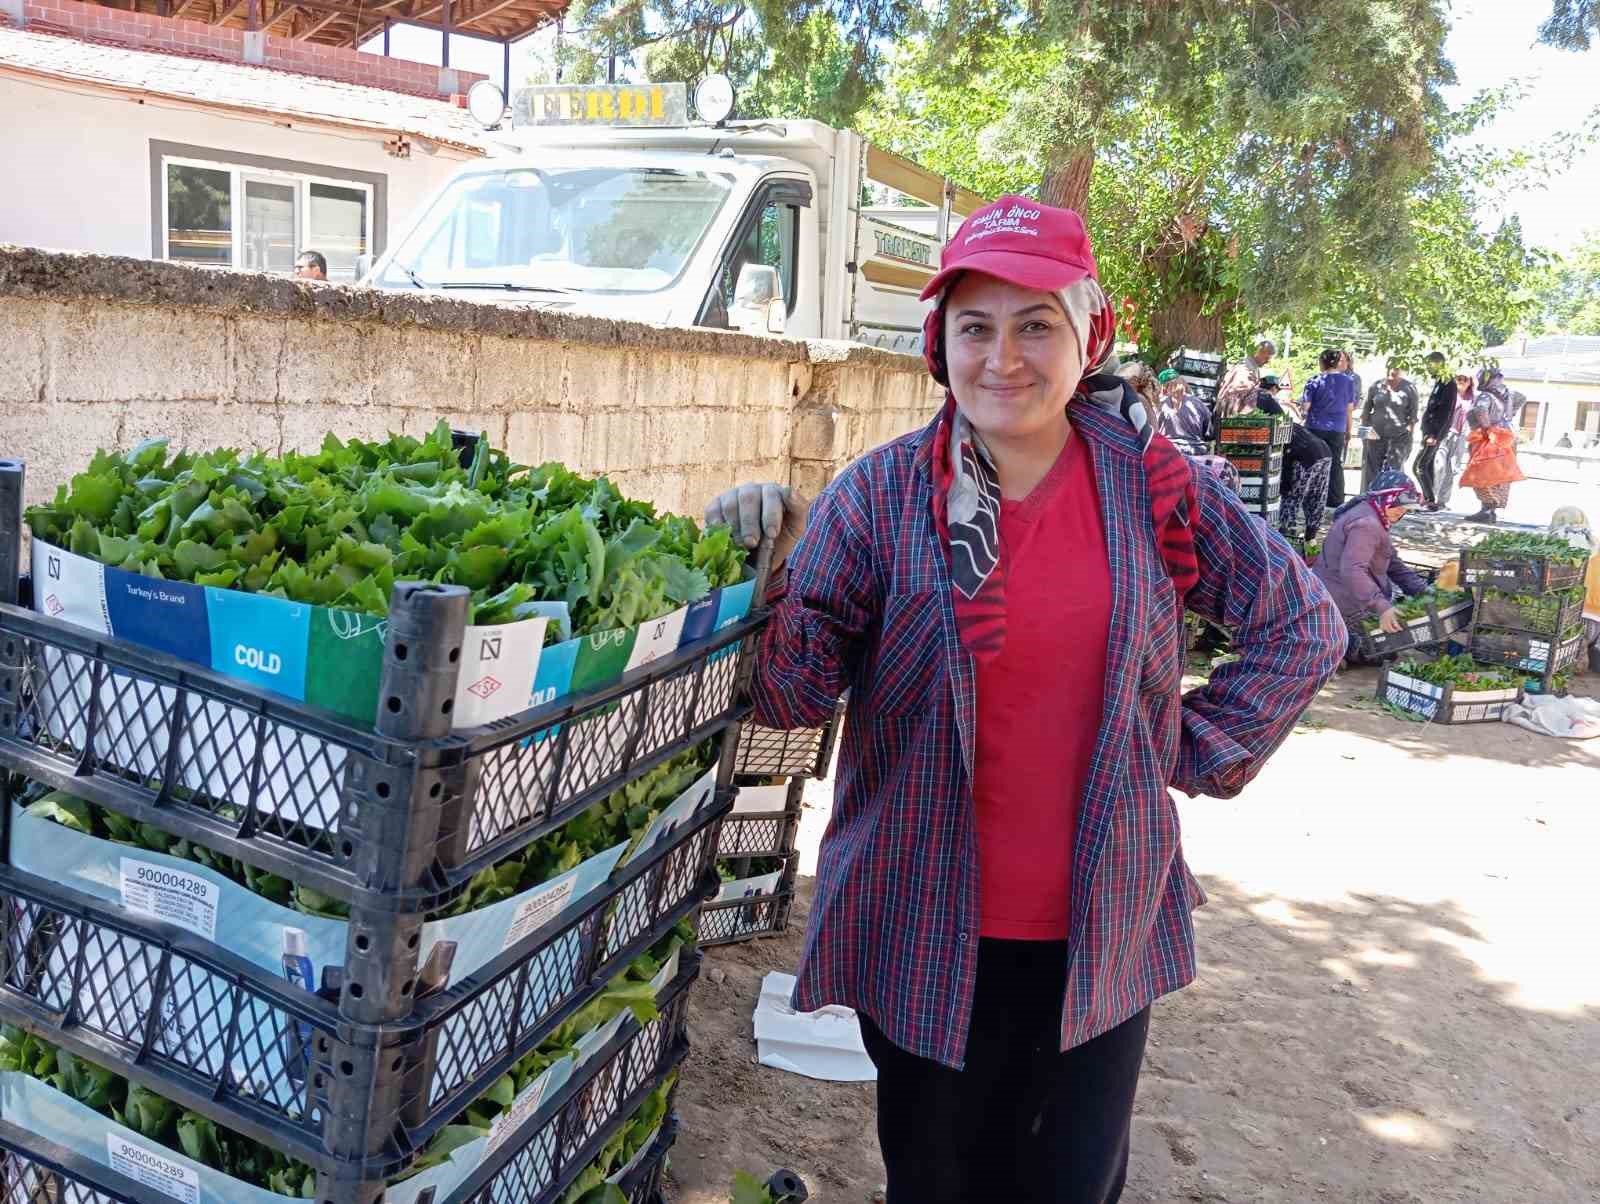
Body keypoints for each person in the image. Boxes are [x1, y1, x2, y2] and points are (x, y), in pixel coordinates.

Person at [704, 195, 1345, 1204]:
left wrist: (1186, 749)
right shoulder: (876, 500)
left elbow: (1301, 624)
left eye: (1035, 323)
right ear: (938, 344)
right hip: (922, 914)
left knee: (1069, 1184)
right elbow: (788, 696)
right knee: (937, 1180)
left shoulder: (1152, 483)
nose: (1003, 356)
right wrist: (760, 566)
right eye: (975, 326)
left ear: (1087, 335)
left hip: (1102, 924)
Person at [1312, 468, 1429, 660]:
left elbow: (1392, 562)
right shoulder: (1368, 524)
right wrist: (1381, 606)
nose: (1401, 512)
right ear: (1385, 498)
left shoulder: (1373, 513)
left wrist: (1423, 591)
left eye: (1405, 508)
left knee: (1394, 638)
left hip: (1344, 598)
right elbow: (1352, 570)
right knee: (1386, 650)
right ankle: (1338, 644)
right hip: (1342, 603)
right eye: (1398, 505)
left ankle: (1337, 642)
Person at [1257, 378, 1333, 547]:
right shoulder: (1284, 422)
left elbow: (1284, 471)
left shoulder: (1271, 428)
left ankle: (1286, 540)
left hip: (1303, 455)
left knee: (1292, 497)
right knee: (1316, 496)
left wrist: (1285, 484)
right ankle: (1310, 540)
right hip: (1323, 451)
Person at [1459, 383, 1525, 525]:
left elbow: (1480, 409)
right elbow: (1521, 398)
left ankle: (1487, 509)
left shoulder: (1485, 396)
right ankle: (1489, 511)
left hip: (1490, 438)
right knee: (1498, 476)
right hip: (1504, 437)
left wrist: (1487, 428)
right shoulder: (1505, 398)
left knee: (1481, 474)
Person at [1301, 348, 1358, 509]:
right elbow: (1349, 408)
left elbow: (1306, 407)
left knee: (1314, 462)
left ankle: (1311, 497)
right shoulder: (1348, 381)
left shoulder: (1314, 381)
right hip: (1338, 429)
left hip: (1315, 428)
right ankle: (1336, 500)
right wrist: (1348, 430)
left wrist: (1302, 411)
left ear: (1323, 362)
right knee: (1335, 464)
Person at [1548, 506, 1600, 670]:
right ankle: (1589, 646)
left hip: (1570, 619)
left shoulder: (1555, 547)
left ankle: (1576, 648)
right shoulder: (1595, 543)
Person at [1360, 362, 1419, 493]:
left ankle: (1391, 500)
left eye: (1397, 368)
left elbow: (1413, 417)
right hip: (1375, 435)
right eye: (1391, 367)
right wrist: (1364, 436)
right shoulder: (1376, 386)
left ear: (1402, 370)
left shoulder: (1409, 388)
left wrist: (1408, 437)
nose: (1393, 370)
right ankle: (1368, 497)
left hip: (1398, 437)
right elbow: (1365, 413)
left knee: (1394, 470)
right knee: (1371, 469)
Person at [1412, 353, 1457, 510]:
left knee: (1419, 466)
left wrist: (1435, 435)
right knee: (1427, 466)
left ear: (1439, 364)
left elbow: (1446, 412)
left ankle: (1431, 500)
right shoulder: (1440, 382)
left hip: (1434, 433)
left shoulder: (1448, 382)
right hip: (1428, 431)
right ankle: (1428, 500)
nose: (1427, 367)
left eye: (1430, 364)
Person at [1215, 338, 1276, 419]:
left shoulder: (1252, 367)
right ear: (1260, 352)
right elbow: (1238, 394)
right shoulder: (1246, 368)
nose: (1267, 362)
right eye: (1266, 358)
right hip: (1231, 415)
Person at [1155, 367, 1212, 453]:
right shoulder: (1198, 403)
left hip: (1167, 452)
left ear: (1162, 387)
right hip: (1196, 451)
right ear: (1182, 382)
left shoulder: (1158, 405)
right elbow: (1209, 432)